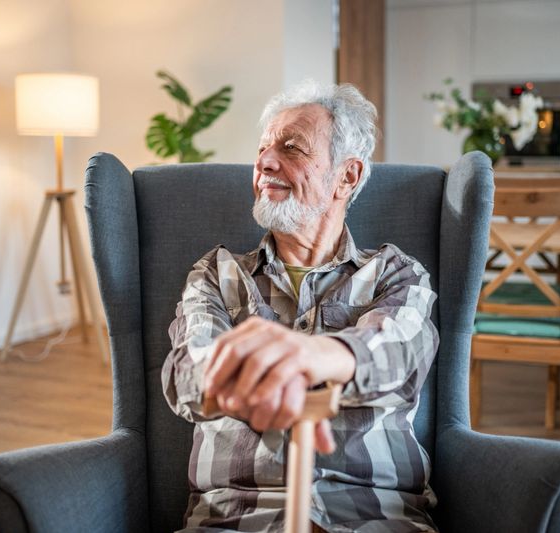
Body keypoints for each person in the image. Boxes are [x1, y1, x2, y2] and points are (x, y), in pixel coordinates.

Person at [161, 80, 439, 532]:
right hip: (236, 515)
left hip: (371, 514)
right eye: (264, 148)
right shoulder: (217, 272)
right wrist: (237, 381)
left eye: (292, 148)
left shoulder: (394, 273)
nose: (265, 162)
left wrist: (312, 356)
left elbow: (400, 353)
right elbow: (185, 371)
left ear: (346, 177)